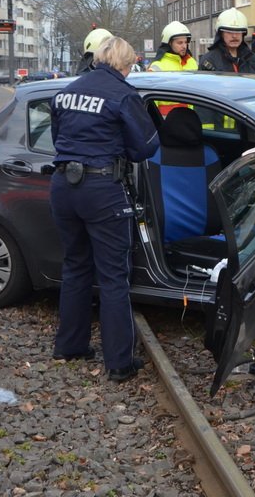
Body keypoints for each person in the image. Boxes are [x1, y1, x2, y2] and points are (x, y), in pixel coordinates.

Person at [49, 36, 160, 382]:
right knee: (113, 277)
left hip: (64, 186)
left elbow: (57, 137)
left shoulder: (67, 90)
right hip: (101, 189)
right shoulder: (122, 93)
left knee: (76, 267)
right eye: (129, 68)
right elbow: (144, 149)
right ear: (124, 65)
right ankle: (119, 363)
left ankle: (70, 346)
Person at [198, 7, 255, 74]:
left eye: (238, 31)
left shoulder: (253, 60)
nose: (234, 36)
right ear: (221, 34)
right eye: (229, 32)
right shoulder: (209, 61)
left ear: (243, 34)